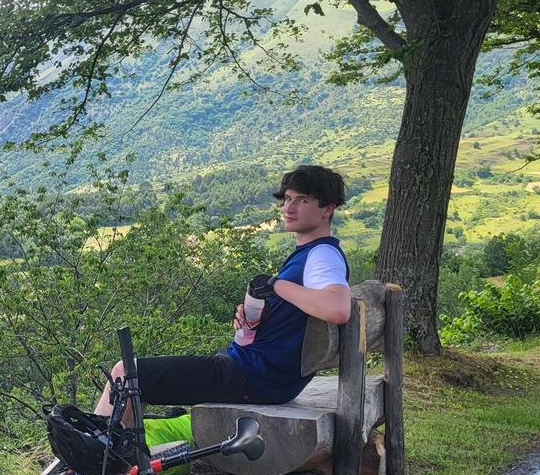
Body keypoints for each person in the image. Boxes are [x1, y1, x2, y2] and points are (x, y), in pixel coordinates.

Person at [94, 165, 352, 422]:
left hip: (252, 377)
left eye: (302, 200)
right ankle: (113, 454)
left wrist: (275, 286)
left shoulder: (322, 255)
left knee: (126, 374)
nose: (289, 208)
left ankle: (99, 458)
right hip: (257, 372)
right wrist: (252, 322)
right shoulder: (309, 254)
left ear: (328, 209)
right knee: (137, 375)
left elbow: (337, 308)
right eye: (287, 198)